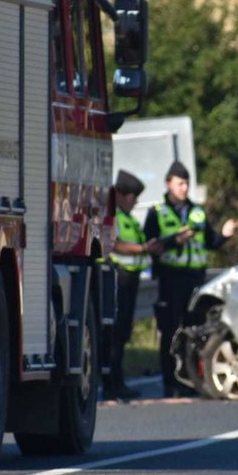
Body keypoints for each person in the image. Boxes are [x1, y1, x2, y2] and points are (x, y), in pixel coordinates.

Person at [144, 161, 238, 398]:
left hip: (195, 278)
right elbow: (150, 245)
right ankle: (170, 382)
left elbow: (210, 241)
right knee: (170, 332)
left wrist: (224, 235)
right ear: (169, 184)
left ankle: (192, 380)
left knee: (195, 331)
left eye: (186, 183)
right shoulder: (157, 212)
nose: (184, 188)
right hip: (170, 278)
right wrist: (174, 241)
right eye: (180, 183)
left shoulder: (197, 211)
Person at [105, 170, 160, 400]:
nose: (135, 202)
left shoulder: (129, 219)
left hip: (131, 280)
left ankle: (118, 381)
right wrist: (143, 249)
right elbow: (115, 244)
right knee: (115, 334)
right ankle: (111, 383)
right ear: (120, 195)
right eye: (132, 197)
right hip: (118, 278)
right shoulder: (113, 216)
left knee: (124, 332)